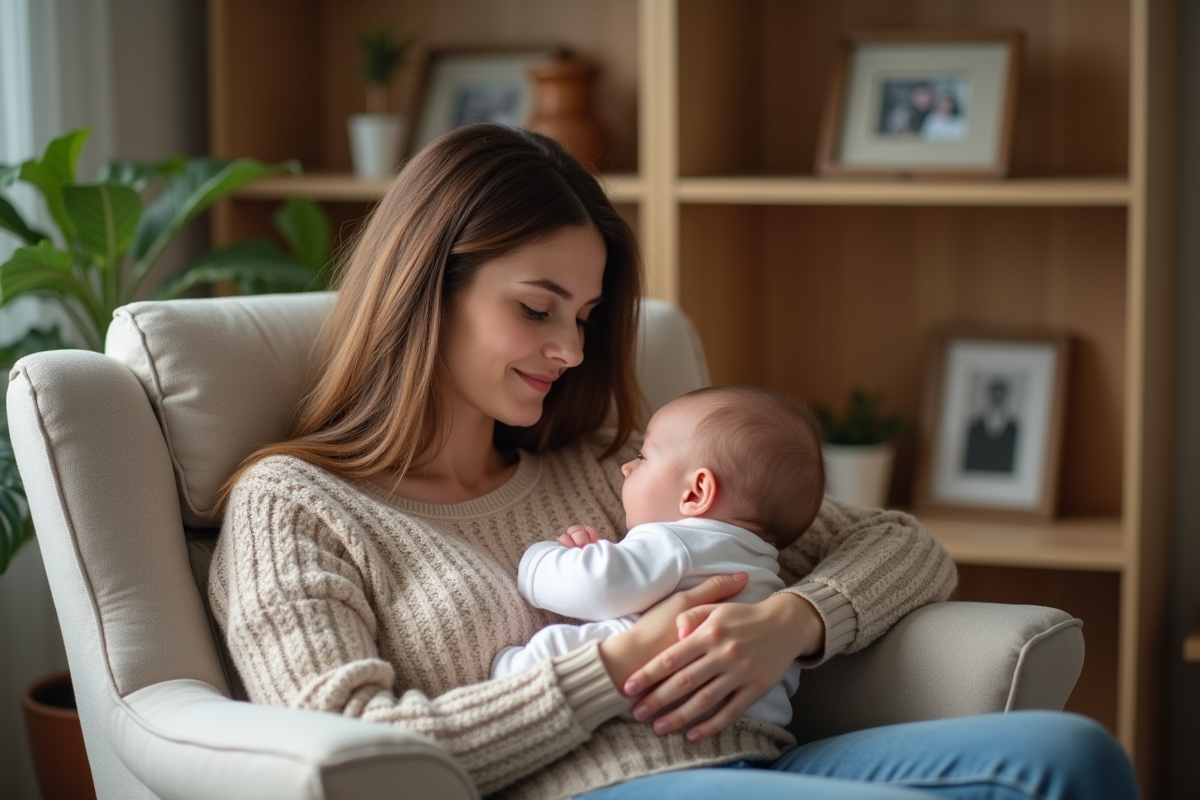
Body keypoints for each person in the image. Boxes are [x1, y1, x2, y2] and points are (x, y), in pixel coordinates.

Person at [208, 123, 1139, 800]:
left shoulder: (608, 465)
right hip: (578, 793)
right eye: (537, 309)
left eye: (583, 316)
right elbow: (345, 753)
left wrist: (791, 623)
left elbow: (904, 546)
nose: (570, 351)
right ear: (427, 290)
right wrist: (614, 667)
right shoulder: (294, 505)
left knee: (1072, 757)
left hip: (745, 765)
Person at [491, 385, 824, 728]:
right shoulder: (768, 575)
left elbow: (596, 586)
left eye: (644, 456)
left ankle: (513, 674)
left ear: (695, 493)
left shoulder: (674, 541)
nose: (626, 468)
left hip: (666, 721)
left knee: (584, 643)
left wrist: (542, 558)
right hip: (759, 734)